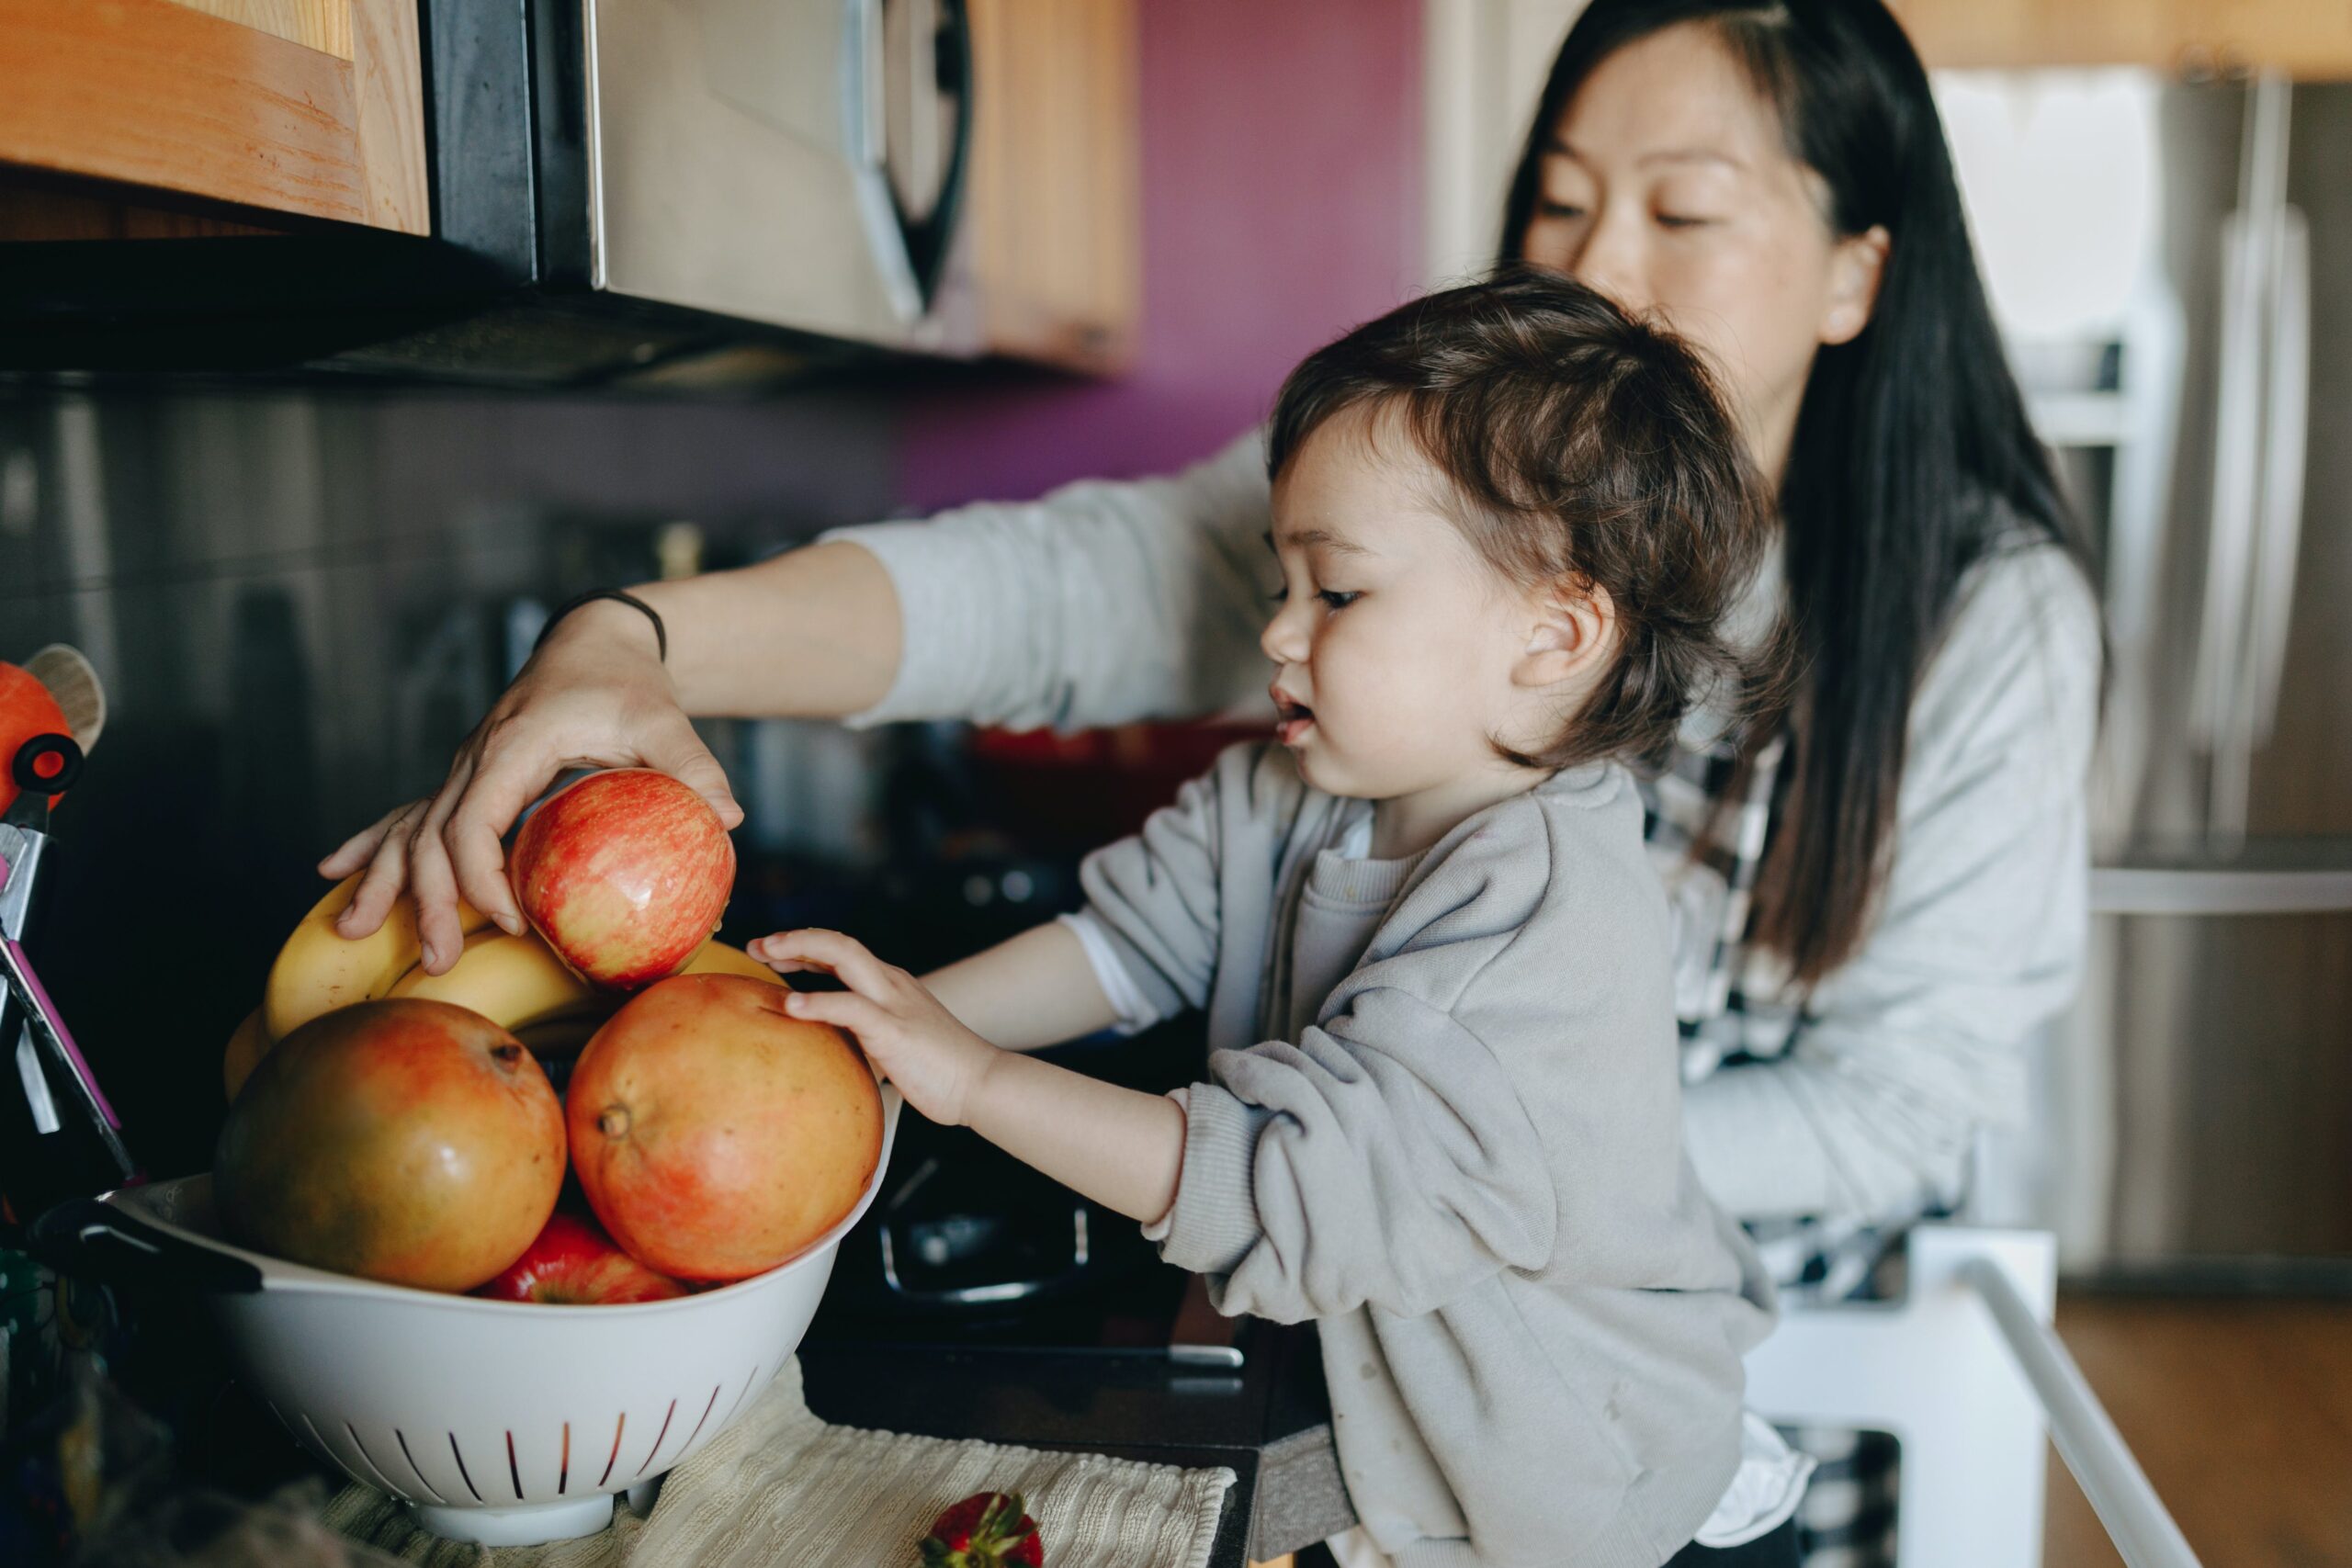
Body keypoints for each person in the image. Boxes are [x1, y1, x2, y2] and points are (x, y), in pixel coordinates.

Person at [322, 3, 2100, 1561]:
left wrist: (1507, 1156)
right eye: (1559, 194)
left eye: (1686, 209)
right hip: (1365, 1335)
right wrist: (638, 648)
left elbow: (1866, 1109)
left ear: (1861, 269)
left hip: (1599, 1421)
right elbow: (1082, 687)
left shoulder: (1949, 631)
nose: (1597, 258)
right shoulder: (1371, 625)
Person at [752, 272, 1802, 1567]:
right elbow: (1127, 941)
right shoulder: (1287, 794)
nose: (1278, 633)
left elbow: (1270, 1190)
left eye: (1339, 594)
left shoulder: (1542, 934)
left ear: (1555, 634)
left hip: (1558, 1478)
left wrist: (969, 1080)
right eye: (1282, 580)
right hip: (1376, 1394)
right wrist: (877, 1035)